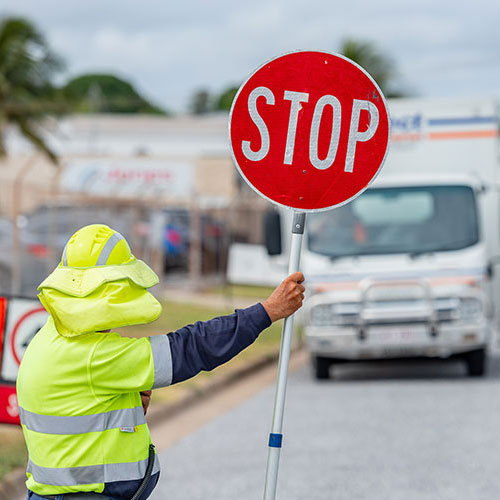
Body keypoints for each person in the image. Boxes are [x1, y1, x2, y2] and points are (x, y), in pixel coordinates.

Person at [16, 224, 305, 500]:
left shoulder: (50, 336)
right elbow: (191, 348)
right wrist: (267, 311)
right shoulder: (93, 354)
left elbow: (77, 411)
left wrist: (123, 408)